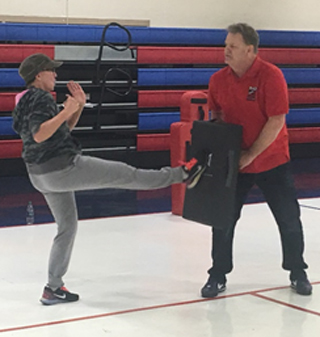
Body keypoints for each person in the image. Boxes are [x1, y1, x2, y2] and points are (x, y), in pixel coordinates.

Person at [12, 53, 207, 305]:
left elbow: (58, 134)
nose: (56, 75)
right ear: (39, 74)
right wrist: (66, 110)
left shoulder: (24, 100)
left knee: (67, 227)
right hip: (61, 168)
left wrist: (77, 107)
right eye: (51, 70)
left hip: (39, 175)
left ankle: (53, 287)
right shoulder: (40, 97)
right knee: (128, 174)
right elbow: (40, 134)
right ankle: (184, 174)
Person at [201, 23, 312, 298]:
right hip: (235, 161)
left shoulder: (271, 76)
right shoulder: (217, 80)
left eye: (233, 46)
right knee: (223, 219)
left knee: (288, 218)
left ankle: (297, 271)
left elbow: (276, 121)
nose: (226, 50)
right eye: (226, 45)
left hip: (272, 160)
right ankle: (218, 274)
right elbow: (217, 117)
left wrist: (251, 155)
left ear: (250, 50)